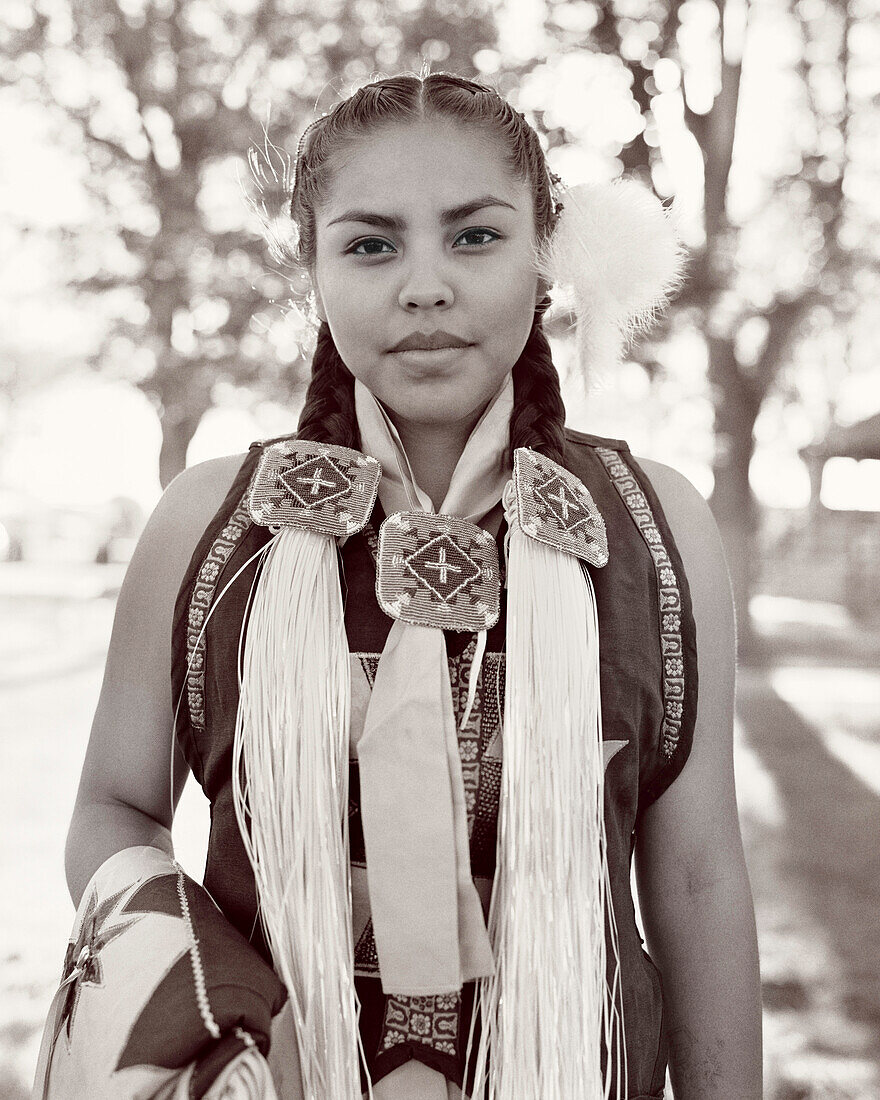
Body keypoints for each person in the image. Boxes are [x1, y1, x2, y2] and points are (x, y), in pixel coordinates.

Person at [61, 72, 762, 1099]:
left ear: (543, 256)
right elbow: (113, 810)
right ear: (312, 266)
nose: (423, 284)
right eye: (371, 242)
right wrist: (209, 995)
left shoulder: (650, 527)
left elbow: (697, 876)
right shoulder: (210, 528)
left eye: (474, 236)